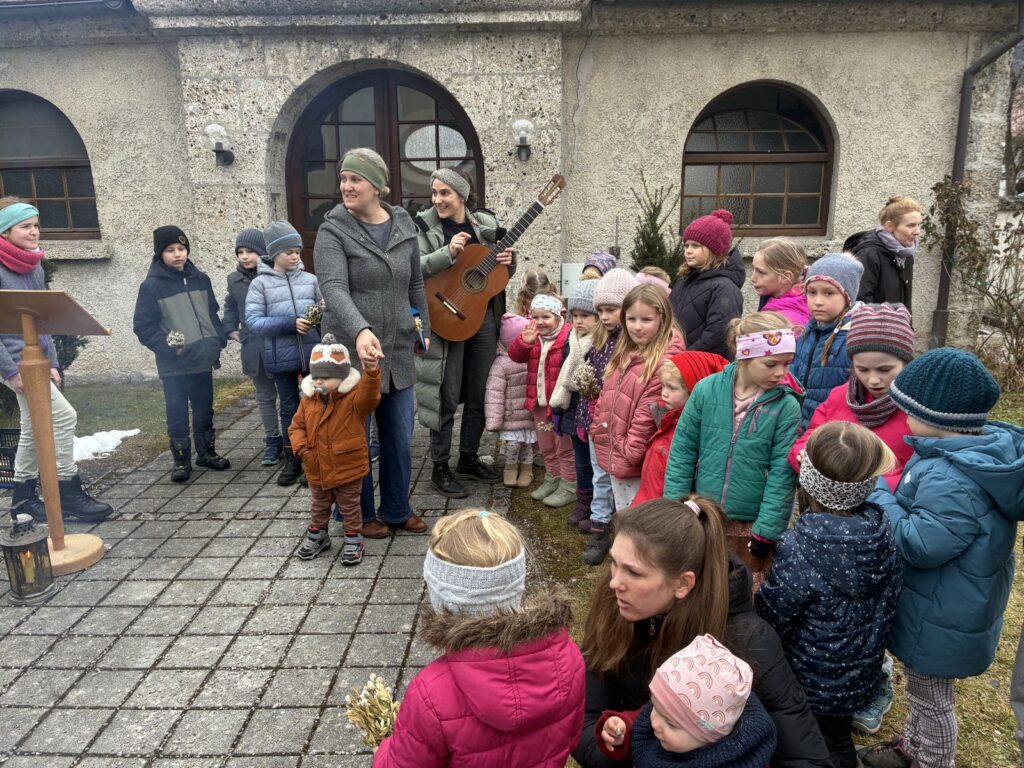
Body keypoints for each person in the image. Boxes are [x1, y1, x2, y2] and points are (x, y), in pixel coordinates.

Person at [573, 497, 833, 768]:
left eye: (633, 573)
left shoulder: (747, 639)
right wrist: (627, 750)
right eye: (614, 562)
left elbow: (806, 756)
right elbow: (584, 718)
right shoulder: (616, 604)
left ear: (683, 584)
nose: (614, 582)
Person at [860, 348, 1024, 768]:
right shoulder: (955, 455)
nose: (903, 419)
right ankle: (913, 748)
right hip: (942, 604)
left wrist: (880, 495)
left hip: (941, 615)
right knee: (923, 691)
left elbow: (921, 544)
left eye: (908, 411)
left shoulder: (952, 477)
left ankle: (933, 761)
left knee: (932, 700)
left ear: (935, 417)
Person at [374, 508, 586, 767]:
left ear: (441, 597)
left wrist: (385, 747)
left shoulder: (430, 694)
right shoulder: (568, 656)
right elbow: (571, 736)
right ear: (516, 586)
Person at [757, 422, 902, 768]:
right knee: (836, 737)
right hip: (860, 673)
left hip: (807, 680)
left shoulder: (799, 546)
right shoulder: (882, 534)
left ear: (808, 481)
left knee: (809, 745)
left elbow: (774, 615)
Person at [313, 147, 429, 538]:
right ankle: (358, 514)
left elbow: (415, 282)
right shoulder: (332, 230)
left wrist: (423, 327)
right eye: (343, 178)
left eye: (355, 179)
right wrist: (361, 329)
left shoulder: (403, 226)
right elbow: (333, 287)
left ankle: (396, 509)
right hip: (350, 353)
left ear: (377, 186)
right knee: (353, 439)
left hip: (396, 349)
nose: (346, 186)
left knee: (399, 436)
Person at [663, 311, 802, 587]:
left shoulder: (786, 406)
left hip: (751, 524)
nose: (781, 373)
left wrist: (767, 531)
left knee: (741, 588)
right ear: (745, 356)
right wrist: (677, 505)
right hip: (704, 514)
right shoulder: (706, 391)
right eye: (771, 364)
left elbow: (781, 474)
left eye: (787, 363)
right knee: (703, 584)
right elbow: (682, 451)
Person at [1, 198, 111, 521]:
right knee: (63, 417)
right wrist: (9, 371)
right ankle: (67, 489)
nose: (34, 232)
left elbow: (41, 319)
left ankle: (22, 499)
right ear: (5, 232)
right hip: (15, 364)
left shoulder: (33, 267)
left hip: (37, 361)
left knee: (33, 425)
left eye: (36, 225)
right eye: (25, 226)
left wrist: (51, 362)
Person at [414, 168, 515, 498]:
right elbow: (412, 267)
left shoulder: (484, 226)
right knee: (445, 393)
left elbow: (496, 273)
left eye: (445, 192)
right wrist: (448, 253)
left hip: (482, 319)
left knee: (479, 392)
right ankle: (440, 466)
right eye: (434, 193)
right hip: (444, 318)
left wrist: (509, 261)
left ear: (461, 195)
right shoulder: (424, 227)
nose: (437, 199)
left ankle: (468, 458)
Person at [585, 284, 686, 565]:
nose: (637, 327)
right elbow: (607, 395)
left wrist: (628, 451)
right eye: (631, 319)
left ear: (662, 319)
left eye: (646, 319)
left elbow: (647, 415)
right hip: (616, 446)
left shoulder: (664, 360)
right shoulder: (627, 350)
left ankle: (639, 562)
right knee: (624, 510)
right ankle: (628, 556)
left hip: (635, 456)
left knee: (638, 515)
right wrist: (597, 429)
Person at [133, 225, 230, 483]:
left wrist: (218, 338)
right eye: (170, 250)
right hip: (174, 365)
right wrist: (167, 348)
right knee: (177, 412)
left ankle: (206, 453)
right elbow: (143, 326)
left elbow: (211, 313)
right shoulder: (151, 286)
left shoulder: (201, 279)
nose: (177, 254)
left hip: (202, 359)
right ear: (159, 254)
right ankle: (180, 460)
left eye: (181, 248)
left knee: (204, 409)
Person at [597, 634, 777, 768]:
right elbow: (641, 724)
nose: (655, 723)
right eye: (655, 707)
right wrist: (624, 728)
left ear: (710, 734)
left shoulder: (741, 761)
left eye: (671, 724)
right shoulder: (666, 723)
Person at [789, 303, 915, 492]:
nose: (873, 380)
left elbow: (922, 472)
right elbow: (811, 436)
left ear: (906, 363)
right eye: (862, 369)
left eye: (885, 369)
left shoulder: (918, 409)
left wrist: (867, 486)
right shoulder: (841, 395)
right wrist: (804, 455)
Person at [288, 334, 379, 564]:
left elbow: (370, 397)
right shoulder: (308, 400)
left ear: (342, 378)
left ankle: (354, 538)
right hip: (316, 465)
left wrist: (371, 373)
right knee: (319, 505)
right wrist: (302, 450)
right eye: (316, 376)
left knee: (350, 506)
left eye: (327, 377)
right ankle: (318, 535)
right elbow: (296, 427)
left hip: (347, 466)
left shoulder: (354, 399)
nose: (319, 381)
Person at [244, 220, 322, 486]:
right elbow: (254, 321)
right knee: (289, 408)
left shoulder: (311, 280)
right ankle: (293, 459)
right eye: (289, 252)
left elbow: (325, 309)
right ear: (274, 253)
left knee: (317, 405)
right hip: (281, 356)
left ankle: (316, 458)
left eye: (297, 251)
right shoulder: (260, 284)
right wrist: (289, 324)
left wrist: (319, 316)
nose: (295, 256)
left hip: (312, 354)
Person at [577, 267, 638, 535]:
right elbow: (590, 381)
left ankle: (619, 521)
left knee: (616, 473)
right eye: (600, 310)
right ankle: (599, 521)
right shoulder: (600, 339)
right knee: (599, 471)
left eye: (611, 310)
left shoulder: (632, 343)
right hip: (597, 418)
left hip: (621, 420)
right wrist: (584, 417)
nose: (603, 316)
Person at [222, 228, 285, 467]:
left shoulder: (276, 275)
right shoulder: (234, 280)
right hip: (254, 348)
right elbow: (231, 305)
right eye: (240, 252)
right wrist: (230, 329)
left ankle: (294, 439)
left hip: (279, 345)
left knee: (288, 397)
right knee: (265, 397)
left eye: (250, 251)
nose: (245, 256)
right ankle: (272, 440)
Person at [631, 350, 727, 506]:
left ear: (694, 392)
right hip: (648, 502)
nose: (664, 393)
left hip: (663, 509)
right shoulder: (667, 420)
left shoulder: (692, 433)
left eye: (672, 388)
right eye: (663, 386)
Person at [508, 292, 575, 507]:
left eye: (546, 317)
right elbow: (515, 356)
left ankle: (569, 485)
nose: (540, 322)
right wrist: (524, 342)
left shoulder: (568, 337)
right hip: (538, 402)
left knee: (563, 446)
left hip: (560, 404)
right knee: (545, 444)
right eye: (535, 317)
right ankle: (552, 477)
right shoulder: (533, 337)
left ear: (558, 315)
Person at [791, 253, 863, 426]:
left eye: (829, 293)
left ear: (848, 296)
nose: (818, 301)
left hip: (833, 430)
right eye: (812, 292)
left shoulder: (854, 338)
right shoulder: (807, 332)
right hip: (800, 427)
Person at [550, 279, 600, 522]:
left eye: (585, 316)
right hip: (572, 410)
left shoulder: (601, 344)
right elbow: (562, 375)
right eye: (575, 315)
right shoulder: (571, 340)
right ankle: (583, 501)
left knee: (596, 462)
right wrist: (559, 411)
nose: (578, 321)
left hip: (592, 410)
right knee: (581, 461)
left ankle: (599, 505)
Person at [669, 210, 744, 360]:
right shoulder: (683, 282)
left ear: (714, 250)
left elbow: (718, 336)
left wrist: (683, 358)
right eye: (686, 245)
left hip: (702, 365)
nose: (688, 251)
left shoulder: (724, 288)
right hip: (674, 361)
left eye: (696, 246)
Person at [484, 313, 535, 488]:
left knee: (528, 444)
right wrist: (494, 420)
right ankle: (510, 468)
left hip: (529, 414)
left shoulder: (533, 358)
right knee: (513, 444)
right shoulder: (501, 364)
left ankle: (527, 469)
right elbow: (494, 394)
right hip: (511, 416)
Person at [845, 196, 923, 309]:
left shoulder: (905, 254)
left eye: (919, 224)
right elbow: (860, 301)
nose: (917, 231)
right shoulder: (869, 253)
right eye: (911, 225)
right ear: (889, 226)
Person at [750, 237, 810, 330]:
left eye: (760, 272)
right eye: (754, 269)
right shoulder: (793, 301)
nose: (752, 278)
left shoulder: (784, 322)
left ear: (786, 277)